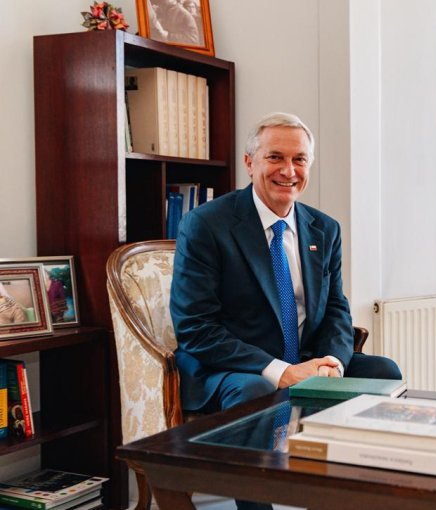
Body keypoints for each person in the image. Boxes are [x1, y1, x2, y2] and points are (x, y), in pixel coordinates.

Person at [170, 113, 402, 507]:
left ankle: (339, 496)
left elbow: (335, 310)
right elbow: (195, 328)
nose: (288, 171)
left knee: (382, 372)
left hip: (306, 357)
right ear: (250, 162)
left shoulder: (324, 229)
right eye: (275, 157)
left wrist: (331, 363)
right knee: (257, 388)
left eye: (299, 160)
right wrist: (281, 371)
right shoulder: (206, 224)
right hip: (232, 369)